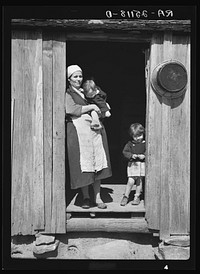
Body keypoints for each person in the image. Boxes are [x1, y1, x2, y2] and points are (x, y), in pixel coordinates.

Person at [65, 65, 112, 209]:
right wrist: (91, 108)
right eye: (75, 77)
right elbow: (71, 109)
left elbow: (101, 102)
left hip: (95, 131)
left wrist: (101, 108)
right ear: (69, 79)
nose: (78, 79)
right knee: (84, 165)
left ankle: (98, 198)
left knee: (98, 164)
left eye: (80, 76)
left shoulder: (86, 90)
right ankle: (86, 197)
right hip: (79, 132)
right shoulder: (68, 93)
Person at [120, 123, 145, 206]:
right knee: (130, 181)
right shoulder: (130, 144)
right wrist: (131, 155)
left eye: (140, 135)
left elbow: (149, 151)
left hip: (141, 165)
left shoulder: (145, 143)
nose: (138, 138)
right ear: (132, 136)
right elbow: (125, 152)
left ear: (143, 133)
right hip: (133, 164)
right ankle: (126, 196)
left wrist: (144, 155)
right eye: (135, 136)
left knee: (139, 181)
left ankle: (137, 196)